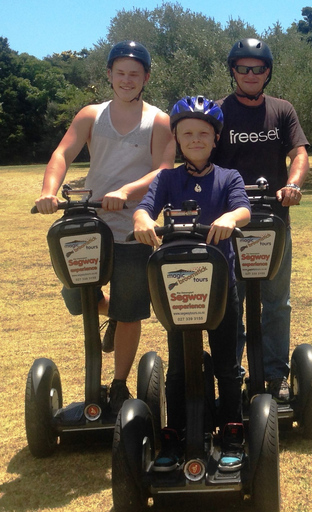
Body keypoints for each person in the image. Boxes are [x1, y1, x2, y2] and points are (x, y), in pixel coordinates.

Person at [35, 41, 175, 415]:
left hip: (134, 225)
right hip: (90, 223)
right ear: (109, 75)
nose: (126, 80)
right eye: (120, 73)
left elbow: (164, 169)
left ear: (145, 77)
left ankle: (117, 386)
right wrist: (49, 192)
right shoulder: (91, 115)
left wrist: (126, 192)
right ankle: (109, 313)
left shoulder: (158, 120)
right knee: (77, 297)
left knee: (130, 311)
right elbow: (62, 153)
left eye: (134, 74)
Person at [133, 95, 251, 472]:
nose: (196, 139)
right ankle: (176, 432)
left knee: (227, 363)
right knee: (181, 366)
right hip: (178, 287)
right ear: (178, 139)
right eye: (187, 134)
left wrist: (231, 217)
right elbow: (145, 207)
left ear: (215, 138)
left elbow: (244, 208)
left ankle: (232, 429)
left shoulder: (228, 177)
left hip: (220, 286)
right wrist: (141, 220)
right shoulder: (168, 178)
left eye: (203, 133)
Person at [213, 38, 310, 401]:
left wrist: (293, 184)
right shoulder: (219, 111)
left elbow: (298, 154)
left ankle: (274, 375)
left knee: (276, 301)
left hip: (273, 219)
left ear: (267, 72)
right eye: (243, 68)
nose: (250, 74)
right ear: (234, 71)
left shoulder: (282, 110)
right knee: (229, 302)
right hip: (229, 221)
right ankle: (231, 376)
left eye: (258, 69)